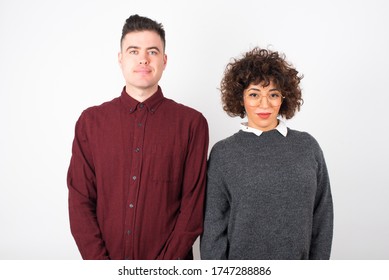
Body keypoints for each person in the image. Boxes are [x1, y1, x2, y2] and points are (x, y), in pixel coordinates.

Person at [67, 14, 209, 260]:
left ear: (164, 61)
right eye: (134, 51)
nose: (143, 59)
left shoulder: (192, 124)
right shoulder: (90, 122)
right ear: (120, 59)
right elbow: (80, 201)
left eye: (152, 52)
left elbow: (193, 210)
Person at [200, 47, 333, 260]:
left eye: (273, 94)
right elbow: (214, 228)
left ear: (284, 98)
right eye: (254, 94)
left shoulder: (307, 147)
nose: (265, 104)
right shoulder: (223, 154)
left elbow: (322, 217)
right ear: (241, 98)